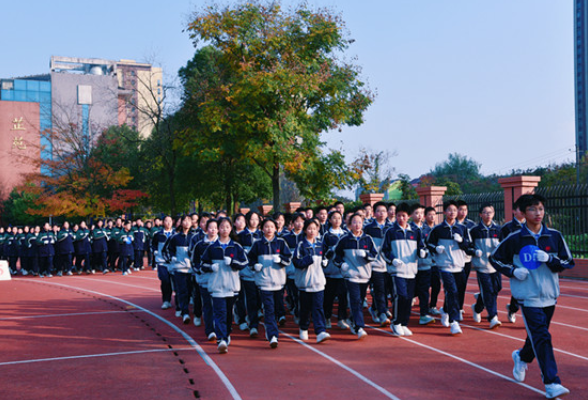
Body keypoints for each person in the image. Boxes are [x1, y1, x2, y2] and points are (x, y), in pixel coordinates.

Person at [490, 194, 574, 399]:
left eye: (541, 209)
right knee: (543, 336)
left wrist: (550, 259)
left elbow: (568, 262)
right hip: (527, 296)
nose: (538, 213)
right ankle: (552, 382)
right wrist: (512, 271)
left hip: (549, 295)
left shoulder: (554, 236)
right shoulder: (514, 239)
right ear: (523, 212)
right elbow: (495, 259)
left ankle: (522, 356)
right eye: (533, 209)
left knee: (538, 336)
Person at [201, 217, 248, 354]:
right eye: (222, 227)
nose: (224, 229)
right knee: (219, 312)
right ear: (218, 229)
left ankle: (226, 334)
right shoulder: (211, 247)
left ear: (230, 228)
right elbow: (202, 264)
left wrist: (233, 262)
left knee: (228, 314)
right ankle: (221, 338)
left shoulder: (236, 247)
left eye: (227, 227)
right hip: (217, 286)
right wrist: (211, 267)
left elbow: (244, 263)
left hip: (231, 286)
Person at [426, 200, 473, 335]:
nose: (452, 212)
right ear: (445, 212)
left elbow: (469, 248)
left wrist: (462, 241)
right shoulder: (438, 229)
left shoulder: (463, 229)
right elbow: (428, 243)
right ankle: (454, 322)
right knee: (451, 291)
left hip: (459, 265)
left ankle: (445, 310)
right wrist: (436, 248)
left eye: (454, 210)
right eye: (449, 210)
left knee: (456, 292)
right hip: (444, 265)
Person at [382, 203, 427, 336]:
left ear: (408, 217)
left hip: (411, 271)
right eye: (398, 216)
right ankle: (395, 322)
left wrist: (422, 252)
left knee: (408, 298)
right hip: (397, 271)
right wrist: (392, 260)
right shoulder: (391, 232)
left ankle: (404, 323)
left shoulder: (415, 231)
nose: (401, 218)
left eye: (404, 216)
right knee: (400, 296)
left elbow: (421, 246)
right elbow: (384, 250)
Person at [248, 217, 292, 348]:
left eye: (271, 227)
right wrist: (255, 265)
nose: (269, 229)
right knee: (268, 308)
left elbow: (288, 258)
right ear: (262, 229)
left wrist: (281, 260)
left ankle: (274, 327)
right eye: (266, 227)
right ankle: (273, 335)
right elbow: (249, 259)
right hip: (264, 281)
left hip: (278, 281)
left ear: (276, 229)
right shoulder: (257, 244)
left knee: (277, 305)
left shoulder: (281, 242)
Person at [334, 213, 377, 339]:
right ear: (349, 224)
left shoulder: (367, 239)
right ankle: (359, 327)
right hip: (351, 276)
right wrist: (342, 264)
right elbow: (336, 256)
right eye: (354, 222)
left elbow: (374, 255)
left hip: (365, 275)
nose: (357, 225)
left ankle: (352, 320)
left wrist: (367, 256)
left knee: (360, 300)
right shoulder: (344, 240)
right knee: (355, 300)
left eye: (359, 222)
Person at [292, 218, 330, 343]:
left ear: (318, 229)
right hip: (305, 283)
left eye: (314, 228)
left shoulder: (320, 244)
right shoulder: (301, 245)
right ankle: (303, 327)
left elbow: (323, 258)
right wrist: (308, 260)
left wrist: (325, 262)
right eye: (309, 228)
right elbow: (296, 262)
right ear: (305, 230)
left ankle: (320, 331)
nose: (312, 231)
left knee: (318, 307)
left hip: (318, 282)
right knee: (305, 308)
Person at [470, 203, 502, 329]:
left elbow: (504, 247)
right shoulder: (475, 231)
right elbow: (468, 247)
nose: (488, 215)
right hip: (482, 266)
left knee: (496, 289)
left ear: (493, 214)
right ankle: (493, 317)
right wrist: (474, 252)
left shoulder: (498, 230)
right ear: (480, 214)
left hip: (495, 265)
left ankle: (478, 306)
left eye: (490, 212)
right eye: (485, 212)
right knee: (488, 290)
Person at [363, 201, 393, 326]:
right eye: (379, 211)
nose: (381, 213)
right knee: (379, 289)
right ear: (374, 213)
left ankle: (376, 308)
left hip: (389, 264)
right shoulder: (368, 228)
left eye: (384, 211)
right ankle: (381, 313)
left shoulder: (391, 228)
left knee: (386, 290)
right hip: (375, 264)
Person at [163, 216, 195, 324]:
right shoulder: (175, 237)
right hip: (179, 268)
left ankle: (186, 309)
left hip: (191, 269)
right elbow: (166, 250)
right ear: (181, 223)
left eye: (189, 221)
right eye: (184, 221)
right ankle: (184, 312)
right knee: (182, 291)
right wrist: (171, 258)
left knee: (190, 291)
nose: (186, 223)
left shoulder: (194, 237)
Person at [192, 218, 219, 342]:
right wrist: (200, 270)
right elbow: (195, 262)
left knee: (220, 306)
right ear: (205, 229)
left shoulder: (224, 244)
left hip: (221, 281)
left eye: (215, 228)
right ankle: (210, 330)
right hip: (205, 281)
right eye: (210, 228)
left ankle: (221, 329)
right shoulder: (199, 245)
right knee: (208, 305)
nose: (213, 230)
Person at [322, 211, 350, 330]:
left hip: (343, 272)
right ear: (330, 220)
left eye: (339, 218)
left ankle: (341, 319)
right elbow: (322, 252)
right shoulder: (327, 235)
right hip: (330, 272)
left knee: (343, 297)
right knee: (329, 297)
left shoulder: (346, 234)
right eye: (334, 218)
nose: (337, 220)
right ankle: (327, 317)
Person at [500, 197, 526, 323]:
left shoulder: (532, 226)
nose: (522, 212)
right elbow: (502, 246)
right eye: (520, 209)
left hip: (530, 261)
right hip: (515, 263)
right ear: (514, 211)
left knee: (530, 289)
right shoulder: (507, 228)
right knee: (519, 288)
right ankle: (513, 309)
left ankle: (517, 310)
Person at [410, 204, 435, 325]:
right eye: (416, 213)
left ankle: (424, 314)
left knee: (425, 290)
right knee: (411, 290)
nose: (419, 216)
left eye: (421, 213)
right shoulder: (409, 229)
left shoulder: (428, 229)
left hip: (426, 264)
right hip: (411, 265)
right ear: (411, 215)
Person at [152, 216, 175, 309]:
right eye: (166, 221)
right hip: (162, 261)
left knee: (174, 282)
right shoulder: (158, 235)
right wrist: (155, 251)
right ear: (163, 222)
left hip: (173, 262)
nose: (168, 223)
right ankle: (166, 300)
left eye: (170, 221)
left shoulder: (175, 234)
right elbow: (153, 245)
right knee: (165, 280)